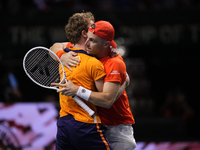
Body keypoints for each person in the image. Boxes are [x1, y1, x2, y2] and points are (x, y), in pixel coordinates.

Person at [52, 21, 137, 150]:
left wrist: (77, 90)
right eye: (87, 38)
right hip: (95, 125)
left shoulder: (114, 62)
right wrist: (62, 55)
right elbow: (55, 46)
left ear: (106, 44)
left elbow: (107, 100)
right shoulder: (91, 49)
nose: (86, 43)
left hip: (116, 128)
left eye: (91, 40)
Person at [50, 12, 113, 150]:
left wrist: (61, 55)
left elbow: (54, 47)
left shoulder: (64, 54)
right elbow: (105, 100)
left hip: (63, 124)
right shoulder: (93, 63)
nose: (96, 28)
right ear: (85, 33)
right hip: (86, 125)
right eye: (92, 26)